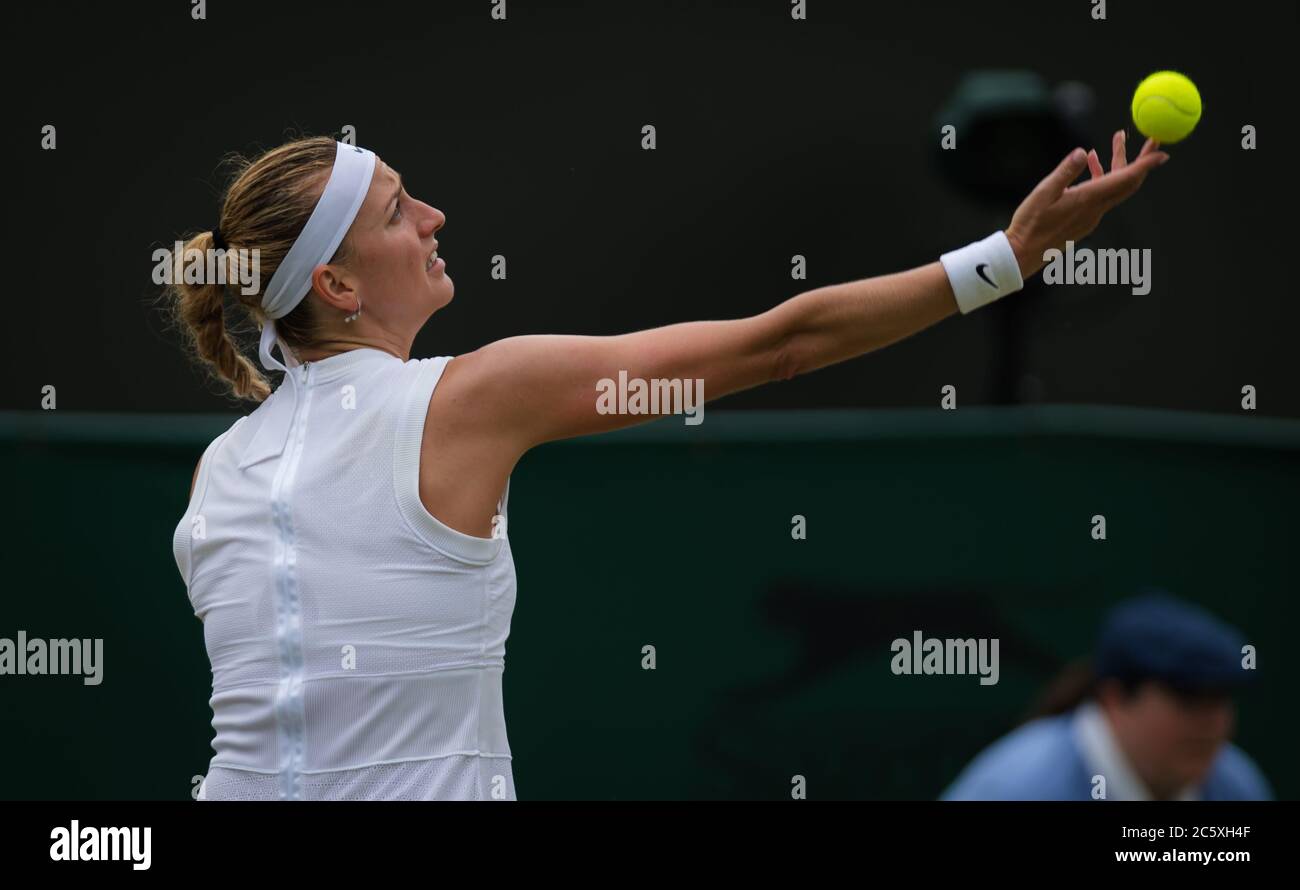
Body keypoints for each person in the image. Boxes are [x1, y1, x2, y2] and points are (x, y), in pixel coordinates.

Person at [167, 133, 1168, 800]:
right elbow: (780, 342)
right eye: (395, 211)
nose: (431, 216)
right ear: (336, 282)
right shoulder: (469, 396)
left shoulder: (221, 471)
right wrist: (1009, 254)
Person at [940, 592, 1272, 800]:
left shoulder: (1238, 785)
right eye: (1188, 698)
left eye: (1222, 699)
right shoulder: (1015, 789)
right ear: (1115, 699)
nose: (1213, 724)